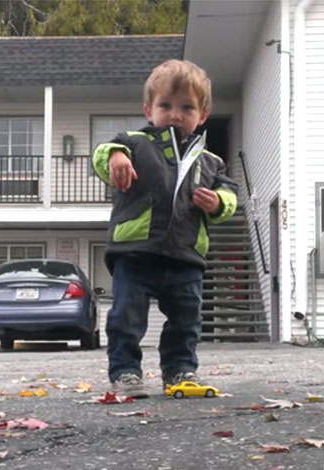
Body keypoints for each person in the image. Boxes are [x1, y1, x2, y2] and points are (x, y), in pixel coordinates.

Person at [91, 59, 238, 397]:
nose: (175, 114)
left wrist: (217, 202)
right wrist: (116, 157)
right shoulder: (134, 143)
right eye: (165, 106)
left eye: (187, 107)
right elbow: (101, 153)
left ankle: (180, 370)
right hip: (136, 252)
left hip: (185, 254)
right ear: (148, 109)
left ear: (202, 115)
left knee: (187, 319)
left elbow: (230, 195)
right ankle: (126, 371)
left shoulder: (210, 161)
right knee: (126, 316)